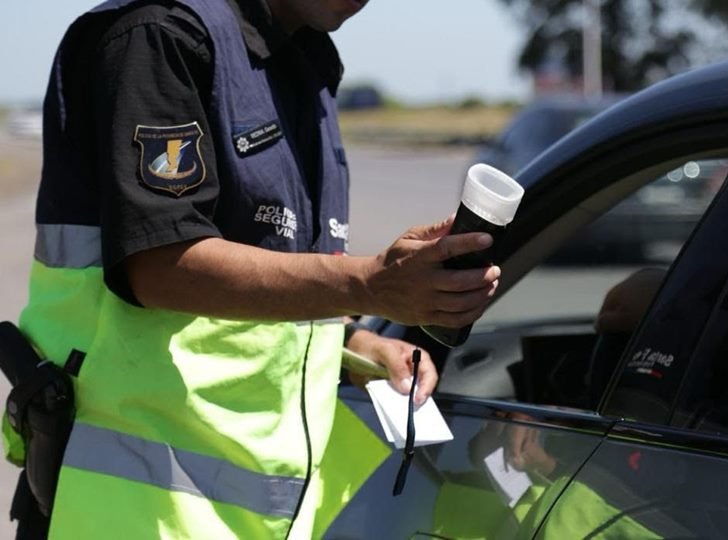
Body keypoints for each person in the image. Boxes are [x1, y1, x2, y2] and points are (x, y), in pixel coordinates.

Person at [1, 0, 501, 538]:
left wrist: (351, 342)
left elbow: (272, 275)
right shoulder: (160, 34)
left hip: (248, 520)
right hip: (129, 514)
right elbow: (161, 264)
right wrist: (371, 284)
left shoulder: (306, 64)